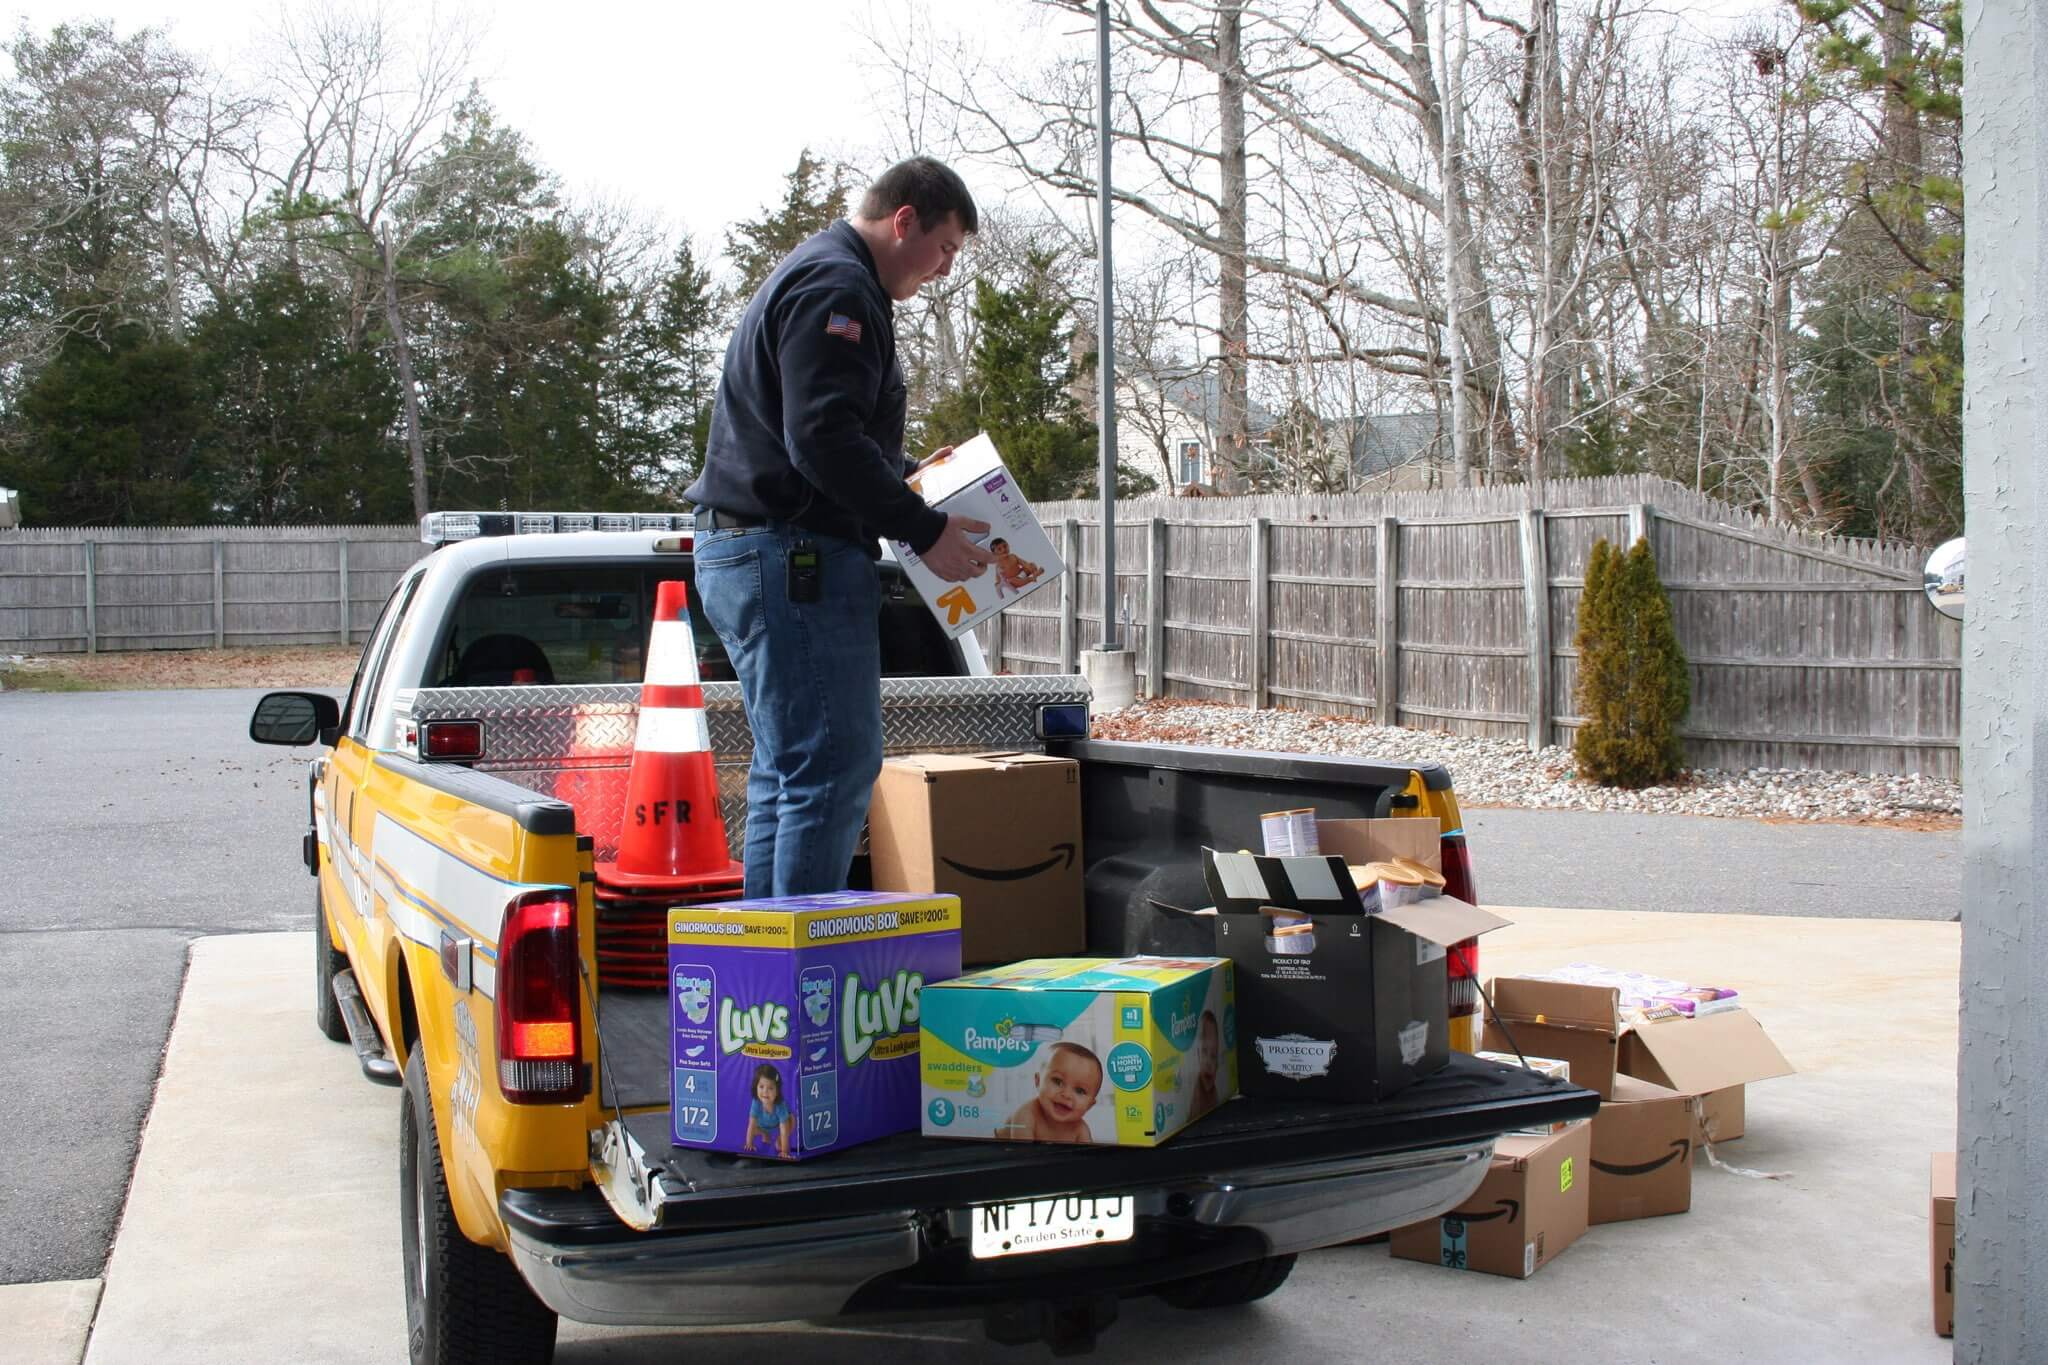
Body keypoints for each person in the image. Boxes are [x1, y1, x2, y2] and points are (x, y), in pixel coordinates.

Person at [685, 157, 991, 899]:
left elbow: (831, 435)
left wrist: (916, 472)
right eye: (946, 247)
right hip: (791, 558)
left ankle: (766, 976)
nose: (946, 269)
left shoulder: (826, 274)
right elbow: (820, 440)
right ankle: (796, 977)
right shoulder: (838, 287)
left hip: (758, 549)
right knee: (832, 767)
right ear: (904, 220)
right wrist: (923, 526)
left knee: (790, 771)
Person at [1000, 1041, 1102, 1144]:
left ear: (1089, 1105)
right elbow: (1022, 1153)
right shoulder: (1026, 1115)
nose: (1066, 1094)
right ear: (1038, 1081)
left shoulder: (1080, 1129)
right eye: (1058, 1081)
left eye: (1080, 1091)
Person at [743, 1063, 794, 1159]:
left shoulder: (780, 1105)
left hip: (778, 1125)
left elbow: (783, 1129)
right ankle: (765, 1134)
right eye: (761, 1087)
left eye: (770, 1088)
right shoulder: (756, 1102)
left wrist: (784, 1151)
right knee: (752, 1129)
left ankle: (778, 1139)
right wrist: (749, 1144)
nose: (765, 1091)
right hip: (761, 1126)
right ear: (756, 1087)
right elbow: (752, 1124)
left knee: (792, 1120)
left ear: (777, 1091)